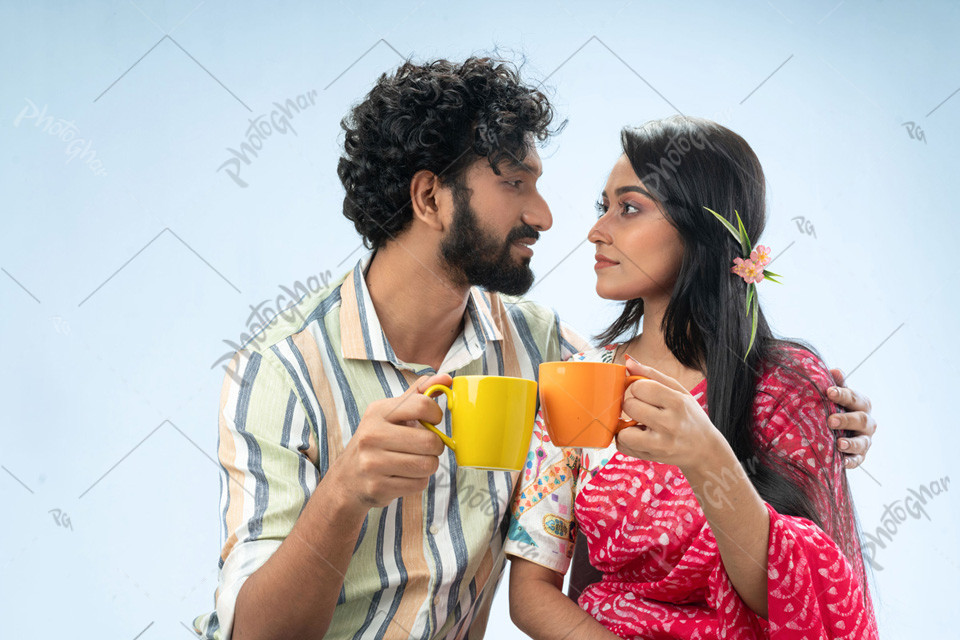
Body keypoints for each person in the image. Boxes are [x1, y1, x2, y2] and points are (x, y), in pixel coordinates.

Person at [192, 59, 876, 640]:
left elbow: (673, 373)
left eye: (625, 207)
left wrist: (819, 407)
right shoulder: (279, 372)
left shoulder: (548, 354)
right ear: (430, 197)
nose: (551, 219)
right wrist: (341, 496)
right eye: (515, 183)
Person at [506, 116, 879, 639]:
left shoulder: (782, 386)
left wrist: (706, 456)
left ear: (701, 227)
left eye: (629, 208)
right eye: (603, 207)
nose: (597, 230)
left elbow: (791, 592)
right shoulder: (580, 382)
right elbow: (530, 592)